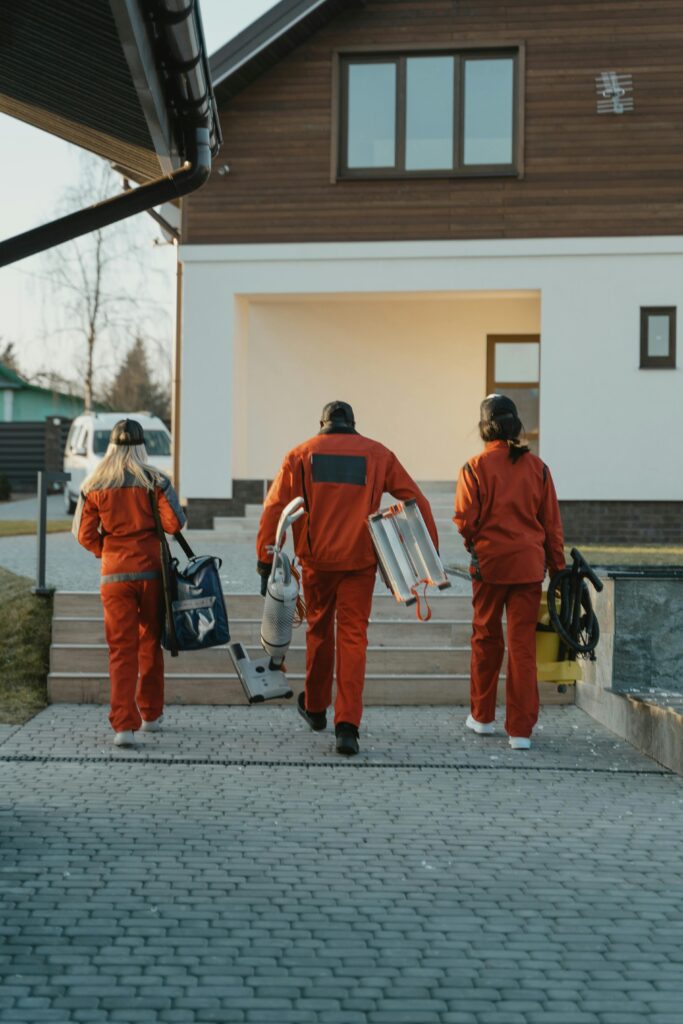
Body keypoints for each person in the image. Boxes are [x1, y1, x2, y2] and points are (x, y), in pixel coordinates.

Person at [256, 400, 438, 756]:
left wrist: (265, 557)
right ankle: (348, 726)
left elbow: (274, 507)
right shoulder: (378, 453)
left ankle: (316, 707)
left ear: (322, 423)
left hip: (317, 562)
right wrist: (429, 558)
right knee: (354, 637)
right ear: (353, 423)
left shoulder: (301, 454)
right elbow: (416, 500)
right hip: (359, 563)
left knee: (319, 631)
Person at [454, 394, 565, 750]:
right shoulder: (539, 468)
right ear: (516, 426)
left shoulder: (473, 468)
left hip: (489, 566)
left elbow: (464, 521)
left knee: (486, 640)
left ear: (485, 428)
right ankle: (520, 731)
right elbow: (552, 526)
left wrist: (476, 543)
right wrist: (558, 570)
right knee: (522, 648)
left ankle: (482, 717)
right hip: (529, 568)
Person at [72, 418, 186, 747]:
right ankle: (150, 714)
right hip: (152, 573)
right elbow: (174, 523)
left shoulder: (93, 483)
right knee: (150, 642)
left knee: (121, 650)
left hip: (114, 574)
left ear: (111, 445)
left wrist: (104, 552)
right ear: (141, 446)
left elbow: (83, 534)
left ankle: (123, 725)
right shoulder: (156, 480)